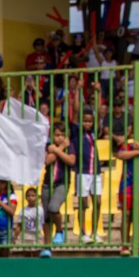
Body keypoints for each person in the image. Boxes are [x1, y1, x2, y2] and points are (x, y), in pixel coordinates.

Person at [40, 125, 75, 255]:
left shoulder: (70, 146)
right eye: (57, 135)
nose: (59, 138)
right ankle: (47, 247)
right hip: (47, 184)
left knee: (53, 207)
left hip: (62, 183)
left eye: (62, 135)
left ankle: (59, 231)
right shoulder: (48, 146)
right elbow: (47, 160)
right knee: (46, 217)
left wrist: (56, 150)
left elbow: (71, 161)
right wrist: (60, 148)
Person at [69, 106, 102, 242]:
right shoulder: (76, 132)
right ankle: (83, 233)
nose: (87, 124)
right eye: (85, 121)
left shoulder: (93, 133)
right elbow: (75, 113)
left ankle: (94, 232)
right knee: (83, 203)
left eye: (89, 121)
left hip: (96, 172)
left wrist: (98, 96)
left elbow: (99, 114)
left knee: (98, 202)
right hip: (82, 172)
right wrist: (77, 94)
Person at [0, 180, 17, 251]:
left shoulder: (11, 195)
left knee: (4, 254)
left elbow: (12, 211)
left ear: (3, 184)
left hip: (5, 229)